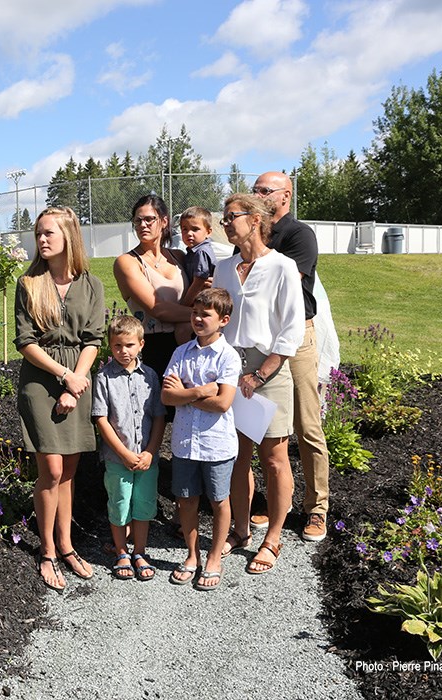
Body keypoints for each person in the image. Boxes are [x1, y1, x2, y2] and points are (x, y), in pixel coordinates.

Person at [14, 206, 105, 592]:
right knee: (50, 470)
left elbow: (93, 340)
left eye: (49, 232)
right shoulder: (29, 283)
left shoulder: (92, 284)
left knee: (68, 471)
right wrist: (64, 376)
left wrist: (77, 379)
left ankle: (67, 545)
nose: (42, 240)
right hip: (42, 380)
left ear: (69, 235)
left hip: (78, 380)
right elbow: (25, 342)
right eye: (38, 234)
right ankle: (48, 550)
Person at [215, 193, 304, 575]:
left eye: (230, 217)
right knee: (237, 456)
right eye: (223, 219)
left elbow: (291, 329)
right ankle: (240, 528)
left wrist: (260, 374)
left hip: (268, 371)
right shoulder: (223, 268)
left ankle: (273, 538)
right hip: (230, 368)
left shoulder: (282, 266)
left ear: (254, 220)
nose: (225, 224)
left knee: (274, 457)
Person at [250, 171, 331, 542]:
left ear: (285, 196)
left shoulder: (299, 235)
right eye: (255, 190)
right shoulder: (253, 234)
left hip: (296, 337)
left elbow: (284, 282)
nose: (258, 195)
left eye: (264, 190)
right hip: (258, 340)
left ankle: (317, 509)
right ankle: (274, 502)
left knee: (306, 425)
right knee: (264, 426)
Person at [161, 288, 240, 590]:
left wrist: (185, 393)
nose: (197, 318)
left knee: (219, 501)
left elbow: (223, 403)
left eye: (205, 314)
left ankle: (214, 557)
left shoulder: (228, 357)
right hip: (184, 441)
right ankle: (192, 555)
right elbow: (168, 396)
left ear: (223, 320)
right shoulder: (180, 352)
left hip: (216, 443)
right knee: (186, 499)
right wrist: (198, 391)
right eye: (194, 312)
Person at [92, 315, 166, 582]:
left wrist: (149, 451)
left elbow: (159, 416)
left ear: (141, 344)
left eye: (129, 345)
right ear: (109, 347)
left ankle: (140, 551)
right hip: (117, 458)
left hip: (147, 457)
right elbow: (101, 418)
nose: (123, 351)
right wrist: (123, 453)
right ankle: (121, 551)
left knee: (143, 504)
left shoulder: (151, 377)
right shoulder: (104, 378)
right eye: (117, 346)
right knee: (120, 502)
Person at [113, 194, 190, 382]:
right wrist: (203, 316)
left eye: (149, 219)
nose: (142, 225)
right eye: (137, 221)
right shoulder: (127, 262)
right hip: (155, 347)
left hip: (190, 341)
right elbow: (158, 308)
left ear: (164, 221)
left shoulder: (179, 257)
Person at [177, 206, 218, 310]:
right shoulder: (192, 252)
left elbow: (198, 283)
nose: (189, 233)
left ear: (208, 232)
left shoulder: (201, 252)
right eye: (184, 229)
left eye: (195, 229)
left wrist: (183, 307)